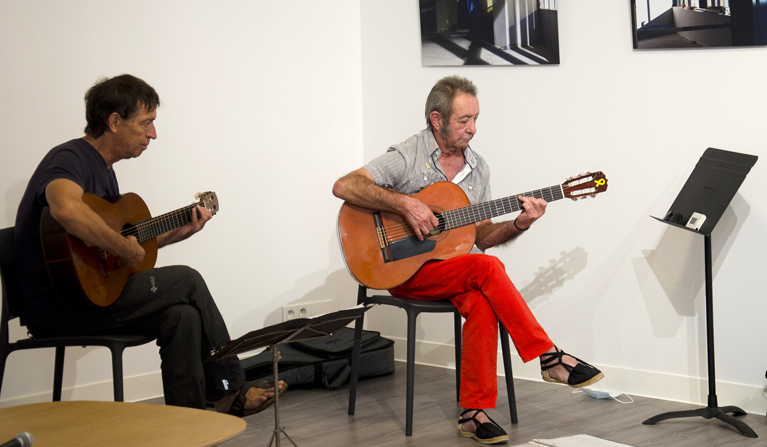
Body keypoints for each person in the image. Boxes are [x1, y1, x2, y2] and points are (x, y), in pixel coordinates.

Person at [332, 76, 603, 444]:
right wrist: (405, 203)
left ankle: (473, 414)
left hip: (453, 272)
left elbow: (480, 238)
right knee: (488, 270)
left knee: (482, 300)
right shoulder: (407, 154)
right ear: (437, 119)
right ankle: (548, 356)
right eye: (463, 121)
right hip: (400, 269)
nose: (472, 129)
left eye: (476, 119)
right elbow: (344, 186)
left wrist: (520, 224)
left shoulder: (478, 169)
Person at [14, 74, 284, 416]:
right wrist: (123, 249)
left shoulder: (105, 171)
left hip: (91, 298)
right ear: (114, 121)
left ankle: (187, 423)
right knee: (187, 279)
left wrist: (176, 232)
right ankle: (232, 390)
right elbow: (66, 208)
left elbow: (120, 250)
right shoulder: (70, 158)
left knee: (182, 316)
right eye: (146, 123)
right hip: (60, 308)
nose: (153, 134)